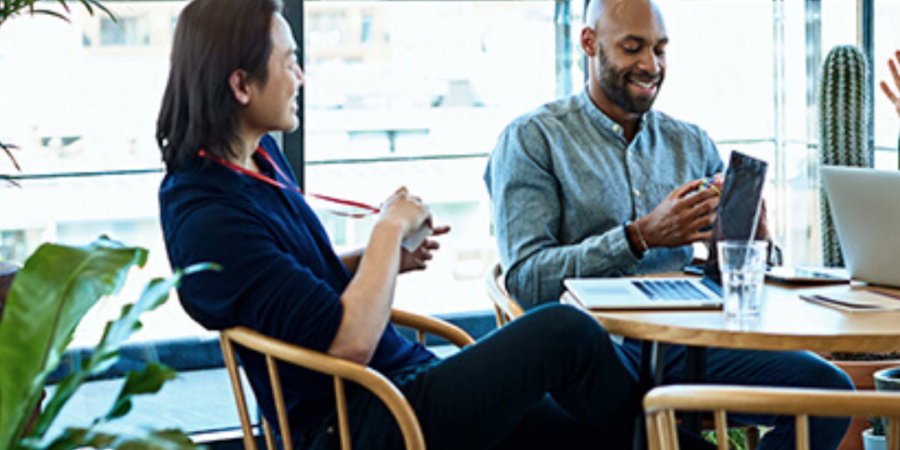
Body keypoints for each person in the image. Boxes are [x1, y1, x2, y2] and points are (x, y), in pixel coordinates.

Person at [155, 0, 719, 449]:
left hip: (402, 385)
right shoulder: (206, 214)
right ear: (240, 85)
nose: (301, 77)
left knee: (582, 432)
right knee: (564, 332)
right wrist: (382, 232)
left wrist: (383, 260)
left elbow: (295, 285)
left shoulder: (256, 164)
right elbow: (347, 343)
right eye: (289, 62)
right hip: (360, 421)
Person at [484, 0, 853, 448]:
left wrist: (750, 245)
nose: (650, 65)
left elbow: (731, 276)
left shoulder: (691, 142)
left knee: (829, 393)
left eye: (660, 49)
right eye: (632, 47)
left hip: (689, 341)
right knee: (648, 428)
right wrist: (638, 237)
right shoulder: (532, 138)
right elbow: (526, 279)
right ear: (588, 43)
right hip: (595, 353)